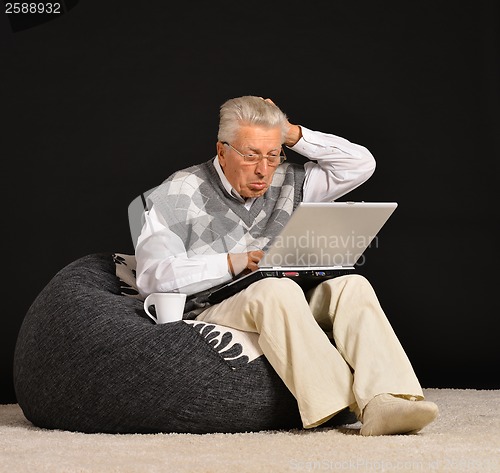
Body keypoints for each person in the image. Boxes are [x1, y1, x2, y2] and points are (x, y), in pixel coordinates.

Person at [135, 95, 438, 436]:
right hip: (211, 306)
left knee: (352, 285)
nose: (264, 170)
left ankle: (387, 400)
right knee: (273, 290)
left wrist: (292, 133)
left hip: (287, 297)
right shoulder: (175, 194)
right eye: (251, 156)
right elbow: (150, 277)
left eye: (273, 155)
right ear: (222, 151)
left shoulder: (290, 181)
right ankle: (341, 403)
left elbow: (360, 164)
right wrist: (230, 264)